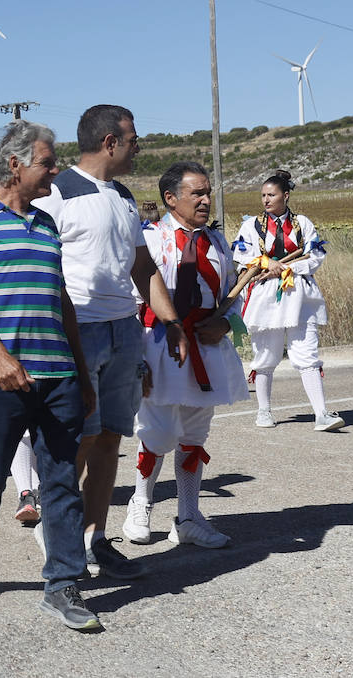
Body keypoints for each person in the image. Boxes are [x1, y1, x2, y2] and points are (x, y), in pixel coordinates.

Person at [0, 119, 101, 631]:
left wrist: (82, 370)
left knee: (61, 481)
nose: (55, 170)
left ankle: (63, 585)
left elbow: (63, 301)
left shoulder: (47, 223)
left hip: (57, 374)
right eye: (47, 163)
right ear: (15, 165)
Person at [31, 104, 184, 581]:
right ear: (110, 142)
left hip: (124, 330)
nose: (139, 147)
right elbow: (41, 269)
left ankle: (95, 540)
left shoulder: (121, 195)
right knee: (78, 441)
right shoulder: (56, 194)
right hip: (79, 332)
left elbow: (142, 267)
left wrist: (171, 321)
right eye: (133, 139)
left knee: (110, 439)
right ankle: (57, 537)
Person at [121, 162, 247, 549]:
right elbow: (130, 299)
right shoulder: (150, 240)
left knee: (194, 434)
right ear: (171, 198)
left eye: (208, 192)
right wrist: (134, 357)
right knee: (157, 433)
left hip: (206, 349)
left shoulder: (220, 244)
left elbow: (233, 295)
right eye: (197, 194)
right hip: (160, 346)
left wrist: (226, 326)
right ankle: (140, 501)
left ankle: (189, 516)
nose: (207, 200)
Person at [232, 170, 343, 431]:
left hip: (300, 296)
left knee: (306, 354)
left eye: (271, 195)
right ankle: (263, 411)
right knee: (266, 355)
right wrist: (266, 263)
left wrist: (284, 269)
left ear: (286, 195)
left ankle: (321, 414)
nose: (266, 200)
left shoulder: (303, 223)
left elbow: (315, 256)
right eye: (263, 195)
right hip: (265, 296)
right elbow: (241, 254)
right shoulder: (251, 226)